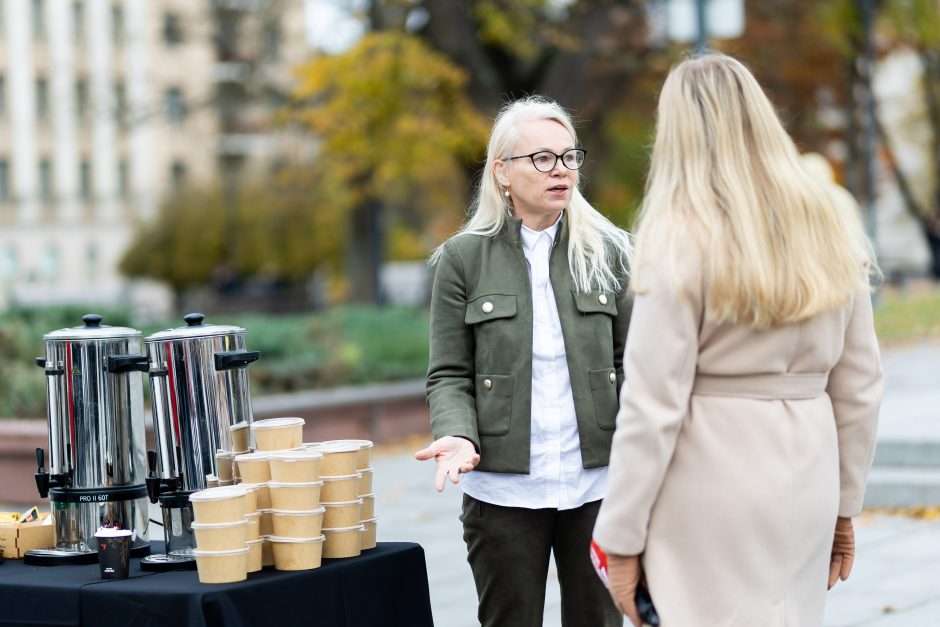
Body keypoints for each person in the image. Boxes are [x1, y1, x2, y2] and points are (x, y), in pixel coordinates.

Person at [592, 53, 884, 627]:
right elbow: (860, 386)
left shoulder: (679, 232)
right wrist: (845, 507)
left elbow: (652, 405)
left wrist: (619, 536)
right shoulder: (828, 222)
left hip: (709, 475)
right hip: (810, 468)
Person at [415, 95, 633, 627]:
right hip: (504, 491)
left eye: (568, 156)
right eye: (541, 158)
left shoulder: (613, 253)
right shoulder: (462, 259)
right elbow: (448, 373)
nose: (560, 170)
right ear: (503, 172)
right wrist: (459, 434)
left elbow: (636, 365)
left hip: (600, 486)